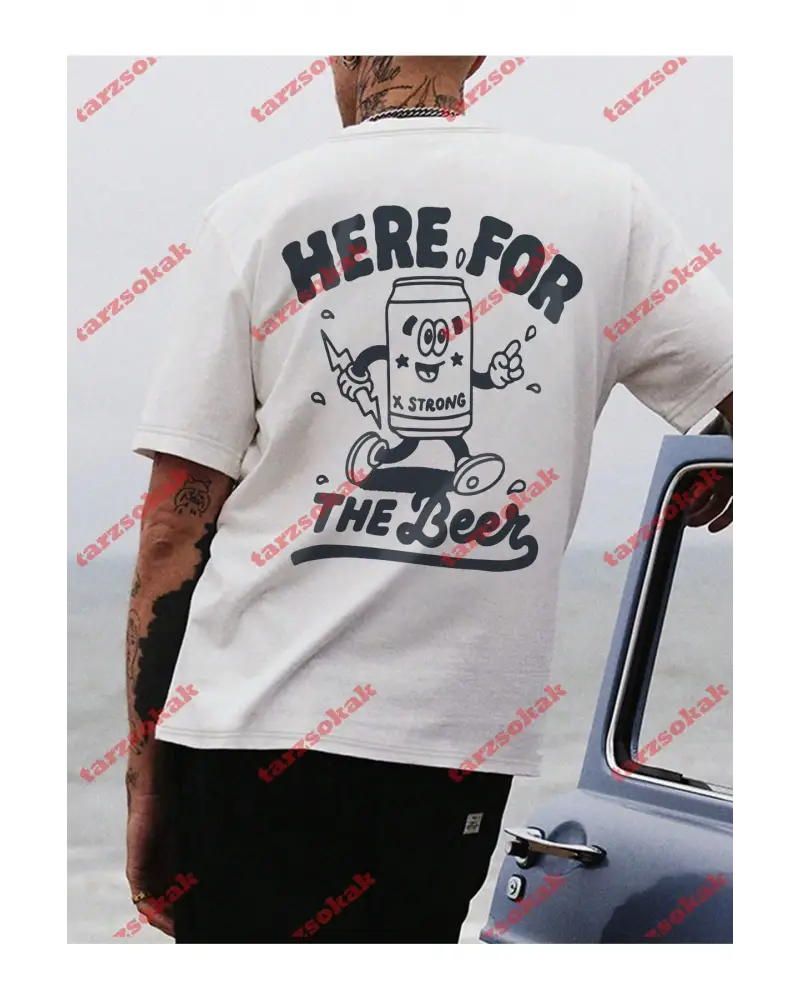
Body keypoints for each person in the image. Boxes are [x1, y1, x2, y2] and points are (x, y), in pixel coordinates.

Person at [125, 55, 735, 944]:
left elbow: (171, 534)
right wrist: (728, 453)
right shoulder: (605, 204)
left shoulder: (256, 211)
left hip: (243, 736)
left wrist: (146, 782)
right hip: (449, 748)